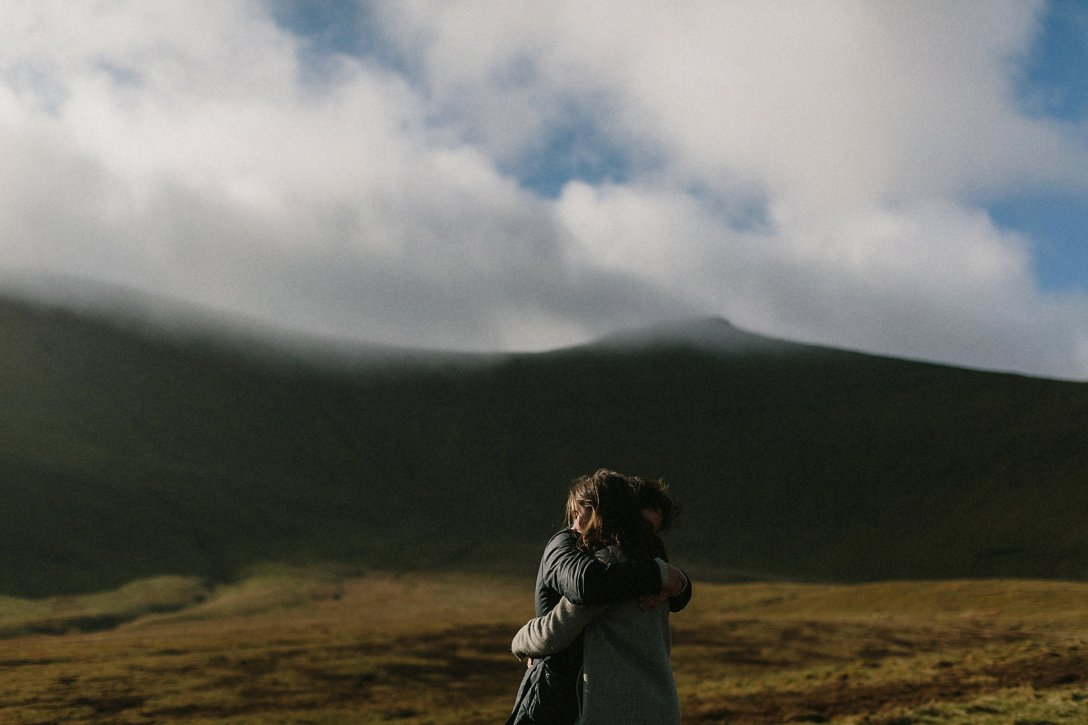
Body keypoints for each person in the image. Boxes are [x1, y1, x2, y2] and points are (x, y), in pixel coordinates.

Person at [505, 470, 690, 725]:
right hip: (651, 707)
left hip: (596, 705)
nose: (645, 537)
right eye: (643, 526)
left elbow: (558, 627)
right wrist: (663, 577)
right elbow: (586, 584)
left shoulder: (633, 565)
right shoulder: (581, 551)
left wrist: (521, 639)